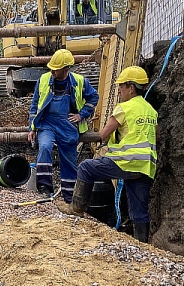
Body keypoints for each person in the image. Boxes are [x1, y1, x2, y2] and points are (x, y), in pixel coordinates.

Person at [58, 66, 160, 243]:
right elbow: (157, 136)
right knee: (139, 210)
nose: (119, 90)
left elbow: (104, 134)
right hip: (145, 166)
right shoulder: (151, 111)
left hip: (125, 162)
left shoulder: (124, 108)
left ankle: (76, 208)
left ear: (131, 88)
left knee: (86, 167)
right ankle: (143, 245)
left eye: (121, 86)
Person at [28, 49, 99, 204]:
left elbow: (94, 97)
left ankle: (70, 199)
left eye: (56, 68)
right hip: (46, 122)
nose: (52, 70)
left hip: (67, 125)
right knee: (45, 147)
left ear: (66, 69)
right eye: (51, 67)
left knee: (68, 160)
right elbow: (35, 106)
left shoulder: (80, 82)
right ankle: (45, 190)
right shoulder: (44, 80)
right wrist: (32, 127)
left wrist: (81, 115)